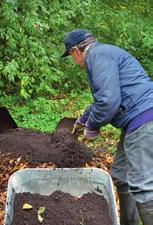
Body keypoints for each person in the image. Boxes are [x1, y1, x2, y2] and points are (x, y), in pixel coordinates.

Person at [61, 29, 153, 225]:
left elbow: (109, 101)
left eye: (70, 56)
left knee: (142, 185)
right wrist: (83, 119)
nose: (73, 60)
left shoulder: (97, 56)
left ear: (76, 51)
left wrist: (92, 126)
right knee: (121, 173)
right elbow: (103, 98)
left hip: (144, 120)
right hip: (137, 121)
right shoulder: (105, 54)